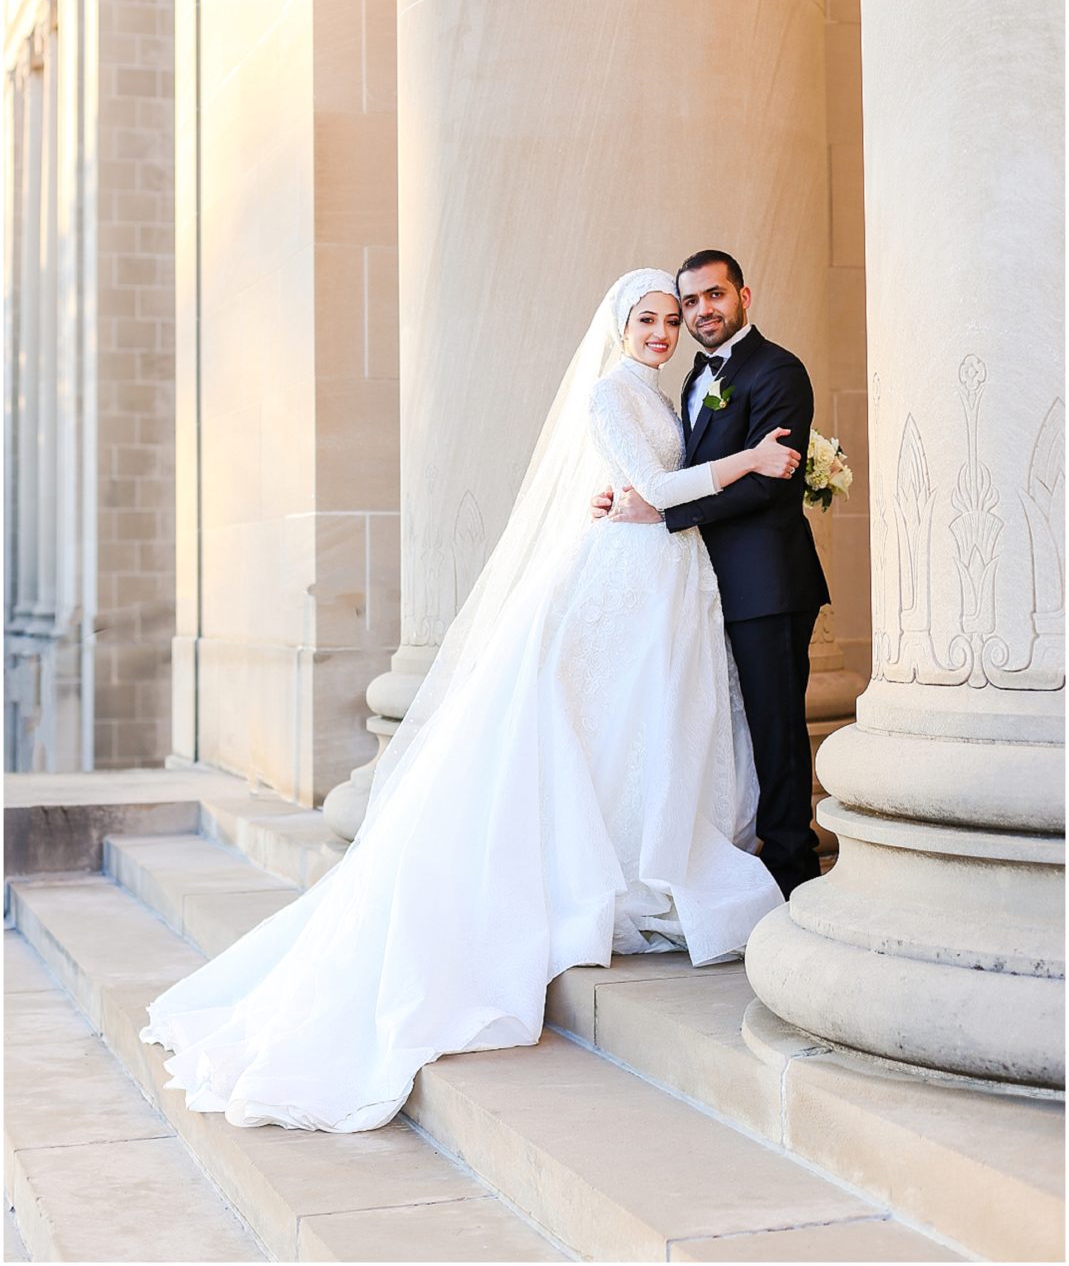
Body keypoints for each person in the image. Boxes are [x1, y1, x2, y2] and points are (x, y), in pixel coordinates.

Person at [140, 269, 797, 1134]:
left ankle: (649, 856)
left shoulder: (663, 393)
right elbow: (657, 488)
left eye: (671, 320)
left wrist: (620, 495)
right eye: (647, 319)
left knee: (647, 728)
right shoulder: (609, 393)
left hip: (666, 578)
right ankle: (624, 869)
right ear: (618, 324)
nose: (662, 332)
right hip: (628, 578)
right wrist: (745, 460)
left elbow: (633, 487)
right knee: (612, 724)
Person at [595, 251, 830, 898]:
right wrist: (623, 499)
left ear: (743, 296)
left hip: (765, 583)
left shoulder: (777, 369)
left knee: (774, 726)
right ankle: (739, 853)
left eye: (711, 297)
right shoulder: (686, 381)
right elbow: (661, 469)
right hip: (700, 582)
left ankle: (792, 868)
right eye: (687, 304)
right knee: (719, 725)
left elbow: (767, 485)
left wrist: (662, 513)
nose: (699, 313)